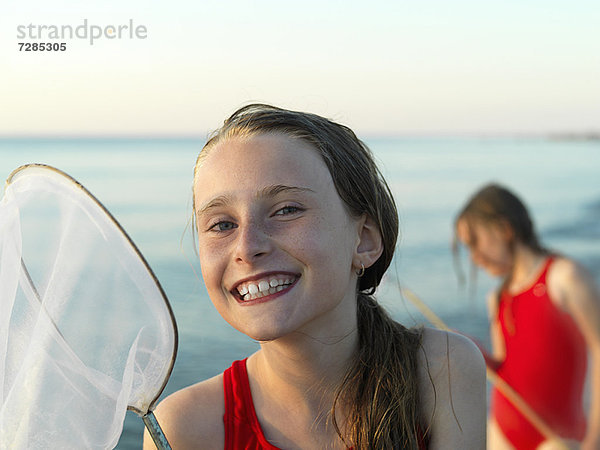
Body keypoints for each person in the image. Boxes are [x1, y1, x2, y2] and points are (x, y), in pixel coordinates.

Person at [144, 104, 486, 449]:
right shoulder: (183, 428)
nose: (246, 248)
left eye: (287, 210)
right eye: (222, 224)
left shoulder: (440, 369)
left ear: (364, 239)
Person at [454, 184, 600, 450]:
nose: (474, 258)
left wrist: (595, 438)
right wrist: (474, 352)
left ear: (504, 229)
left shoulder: (564, 277)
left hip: (556, 440)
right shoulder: (498, 298)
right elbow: (505, 370)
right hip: (501, 433)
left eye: (475, 243)